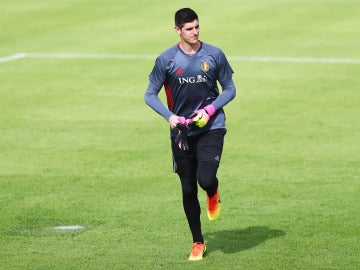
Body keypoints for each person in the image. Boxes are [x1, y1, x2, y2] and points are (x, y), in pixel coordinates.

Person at [144, 7, 236, 261]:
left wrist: (210, 109)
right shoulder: (166, 60)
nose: (195, 32)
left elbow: (230, 89)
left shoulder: (214, 54)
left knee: (205, 179)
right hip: (182, 133)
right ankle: (198, 242)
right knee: (187, 190)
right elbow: (149, 94)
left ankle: (213, 192)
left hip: (211, 126)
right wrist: (170, 117)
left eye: (197, 26)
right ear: (177, 30)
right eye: (189, 28)